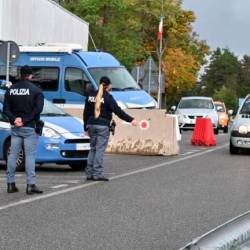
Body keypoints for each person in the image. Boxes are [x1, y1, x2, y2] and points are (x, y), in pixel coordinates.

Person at [83, 76, 137, 181]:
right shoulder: (108, 97)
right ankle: (97, 174)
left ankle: (89, 173)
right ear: (108, 86)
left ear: (99, 83)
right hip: (102, 125)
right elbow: (118, 111)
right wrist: (131, 120)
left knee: (93, 149)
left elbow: (86, 112)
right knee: (99, 149)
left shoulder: (90, 95)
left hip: (91, 124)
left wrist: (85, 127)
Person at [3, 65, 44, 194]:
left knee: (13, 155)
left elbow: (5, 109)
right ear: (30, 75)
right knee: (30, 156)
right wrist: (25, 120)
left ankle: (10, 184)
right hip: (29, 127)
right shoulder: (36, 90)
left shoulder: (11, 90)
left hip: (15, 127)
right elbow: (38, 110)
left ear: (21, 74)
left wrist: (15, 119)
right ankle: (30, 185)